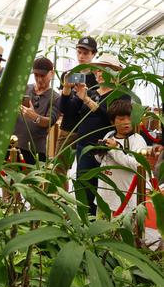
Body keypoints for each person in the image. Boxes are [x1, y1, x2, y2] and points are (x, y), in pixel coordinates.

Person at [59, 53, 131, 215]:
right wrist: (66, 89)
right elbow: (67, 111)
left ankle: (104, 223)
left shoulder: (121, 94)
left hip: (105, 148)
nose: (99, 73)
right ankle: (85, 220)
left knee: (105, 189)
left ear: (115, 72)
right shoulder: (90, 91)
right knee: (83, 186)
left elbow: (112, 119)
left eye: (104, 70)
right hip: (84, 147)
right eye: (97, 69)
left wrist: (87, 101)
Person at [55, 36, 98, 175]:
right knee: (59, 169)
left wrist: (85, 95)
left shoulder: (98, 77)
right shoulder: (68, 75)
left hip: (89, 131)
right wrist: (67, 89)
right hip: (68, 128)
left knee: (85, 172)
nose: (81, 56)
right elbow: (65, 109)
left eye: (85, 53)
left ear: (94, 54)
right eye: (79, 52)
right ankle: (58, 197)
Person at [95, 100, 147, 215]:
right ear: (112, 121)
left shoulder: (137, 140)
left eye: (129, 118)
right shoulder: (108, 135)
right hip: (104, 197)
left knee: (122, 231)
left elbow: (137, 165)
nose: (126, 122)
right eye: (121, 119)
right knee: (102, 231)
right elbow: (101, 162)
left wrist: (115, 149)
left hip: (124, 201)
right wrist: (99, 152)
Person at [13, 57, 60, 165]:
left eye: (42, 76)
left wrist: (35, 116)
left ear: (51, 73)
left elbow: (49, 122)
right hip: (14, 146)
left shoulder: (55, 97)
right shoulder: (24, 89)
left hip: (35, 151)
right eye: (36, 75)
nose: (39, 79)